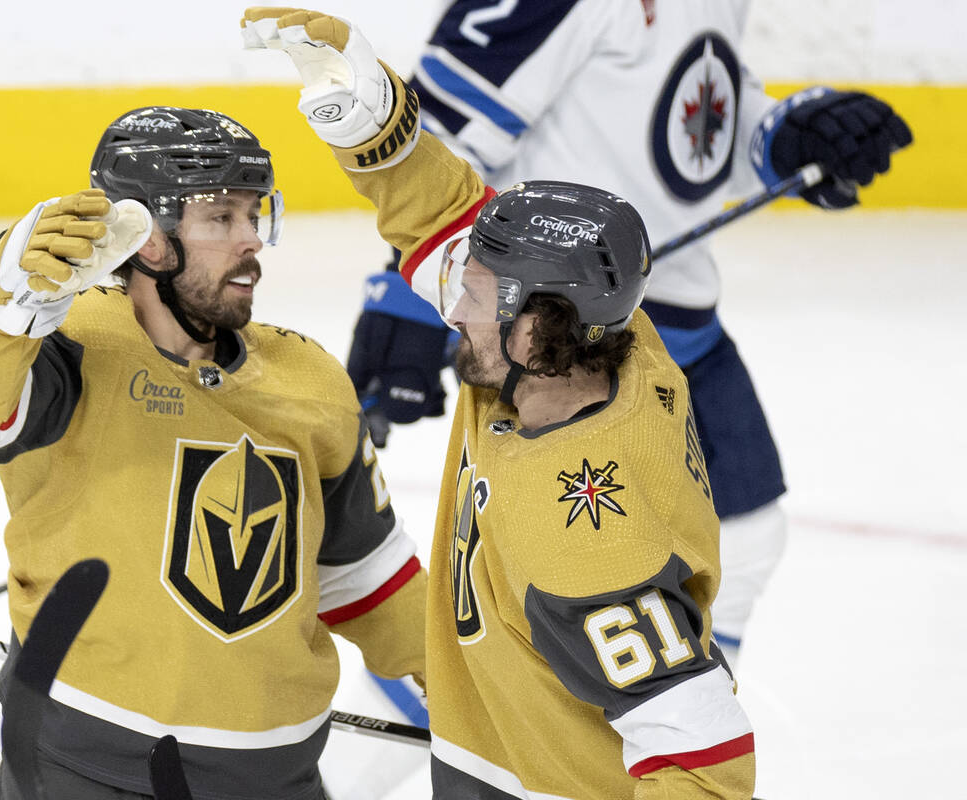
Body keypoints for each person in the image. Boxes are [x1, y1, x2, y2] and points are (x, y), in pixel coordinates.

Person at [245, 7, 756, 798]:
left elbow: (709, 771)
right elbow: (442, 213)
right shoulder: (604, 338)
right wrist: (376, 119)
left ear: (538, 322)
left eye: (476, 295)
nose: (450, 309)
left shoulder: (590, 543)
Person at [341, 0, 912, 663]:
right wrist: (409, 299)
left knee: (743, 538)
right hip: (569, 331)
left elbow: (689, 114)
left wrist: (786, 135)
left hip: (680, 324)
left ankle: (648, 740)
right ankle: (470, 737)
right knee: (543, 592)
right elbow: (437, 137)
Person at [0, 105, 427, 799]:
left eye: (254, 214)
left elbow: (368, 577)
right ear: (146, 236)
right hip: (80, 764)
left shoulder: (311, 379)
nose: (251, 242)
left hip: (272, 775)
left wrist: (483, 687)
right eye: (220, 218)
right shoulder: (69, 345)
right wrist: (6, 307)